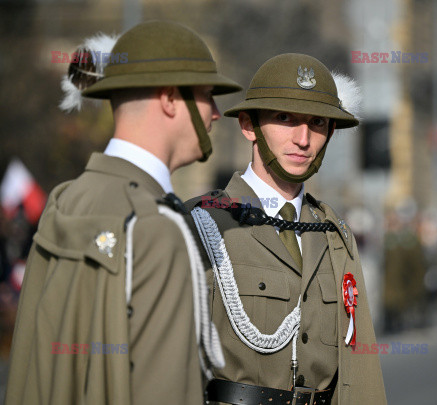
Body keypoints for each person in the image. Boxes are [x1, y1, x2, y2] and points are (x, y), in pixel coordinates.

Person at [5, 21, 240, 405]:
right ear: (169, 98)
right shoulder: (157, 228)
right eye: (206, 95)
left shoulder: (66, 200)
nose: (215, 113)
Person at [186, 53, 386, 404]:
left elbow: (360, 371)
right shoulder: (203, 224)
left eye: (317, 123)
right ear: (249, 125)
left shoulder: (334, 236)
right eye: (284, 118)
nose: (303, 139)